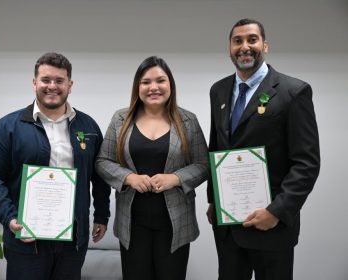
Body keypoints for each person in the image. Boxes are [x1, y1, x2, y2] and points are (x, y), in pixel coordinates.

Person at [0, 52, 111, 280]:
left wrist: (102, 215)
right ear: (34, 83)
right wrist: (10, 217)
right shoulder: (9, 126)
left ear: (70, 85)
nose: (52, 86)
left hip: (72, 239)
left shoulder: (88, 127)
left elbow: (100, 175)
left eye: (59, 81)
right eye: (45, 80)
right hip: (26, 238)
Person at [206, 18, 320, 280]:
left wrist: (277, 212)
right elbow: (217, 147)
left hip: (272, 226)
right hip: (228, 225)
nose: (244, 46)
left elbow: (307, 162)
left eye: (252, 39)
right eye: (238, 41)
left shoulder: (294, 91)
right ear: (229, 48)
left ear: (265, 46)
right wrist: (215, 199)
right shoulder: (219, 91)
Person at [96, 56, 208, 280]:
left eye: (160, 81)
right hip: (132, 224)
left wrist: (175, 178)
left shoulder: (188, 121)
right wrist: (129, 178)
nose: (153, 87)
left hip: (175, 224)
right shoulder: (121, 119)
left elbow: (203, 165)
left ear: (170, 85)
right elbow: (102, 161)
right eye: (146, 82)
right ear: (138, 86)